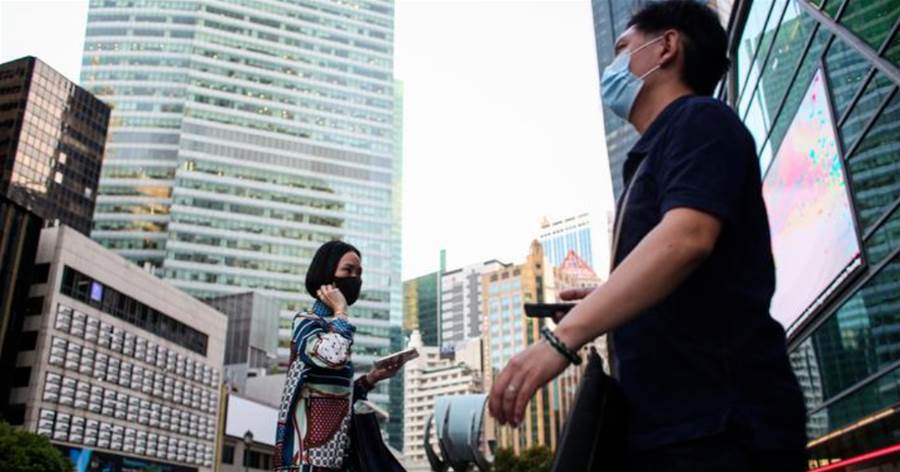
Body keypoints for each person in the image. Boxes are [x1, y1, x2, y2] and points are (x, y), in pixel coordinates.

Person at [488, 2, 807, 471]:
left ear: (667, 47)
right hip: (672, 431)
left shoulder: (700, 119)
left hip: (721, 430)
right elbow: (686, 269)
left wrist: (560, 341)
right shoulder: (656, 151)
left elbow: (687, 238)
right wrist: (609, 301)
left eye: (623, 49)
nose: (613, 66)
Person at [274, 240, 404, 471]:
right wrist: (341, 311)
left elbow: (339, 394)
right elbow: (332, 356)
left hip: (336, 458)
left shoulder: (334, 327)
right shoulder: (307, 322)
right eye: (348, 270)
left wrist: (372, 378)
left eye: (359, 273)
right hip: (305, 459)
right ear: (327, 274)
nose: (355, 278)